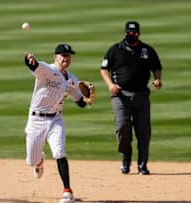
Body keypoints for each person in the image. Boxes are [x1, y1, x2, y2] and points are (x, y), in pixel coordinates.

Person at [24, 43, 95, 203]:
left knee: (60, 153)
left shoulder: (72, 80)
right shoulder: (47, 70)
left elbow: (79, 101)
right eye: (63, 55)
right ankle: (39, 161)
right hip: (36, 120)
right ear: (56, 57)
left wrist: (87, 100)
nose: (66, 58)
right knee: (31, 161)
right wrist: (29, 60)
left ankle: (67, 192)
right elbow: (33, 65)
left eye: (69, 56)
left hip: (56, 120)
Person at [100, 21, 163, 175]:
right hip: (120, 95)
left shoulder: (147, 50)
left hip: (141, 95)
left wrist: (157, 79)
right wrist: (110, 85)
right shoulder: (115, 50)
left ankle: (143, 165)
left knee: (143, 132)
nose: (131, 35)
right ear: (125, 33)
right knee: (122, 128)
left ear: (139, 34)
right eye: (129, 33)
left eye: (134, 33)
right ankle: (125, 159)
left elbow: (156, 67)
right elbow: (104, 69)